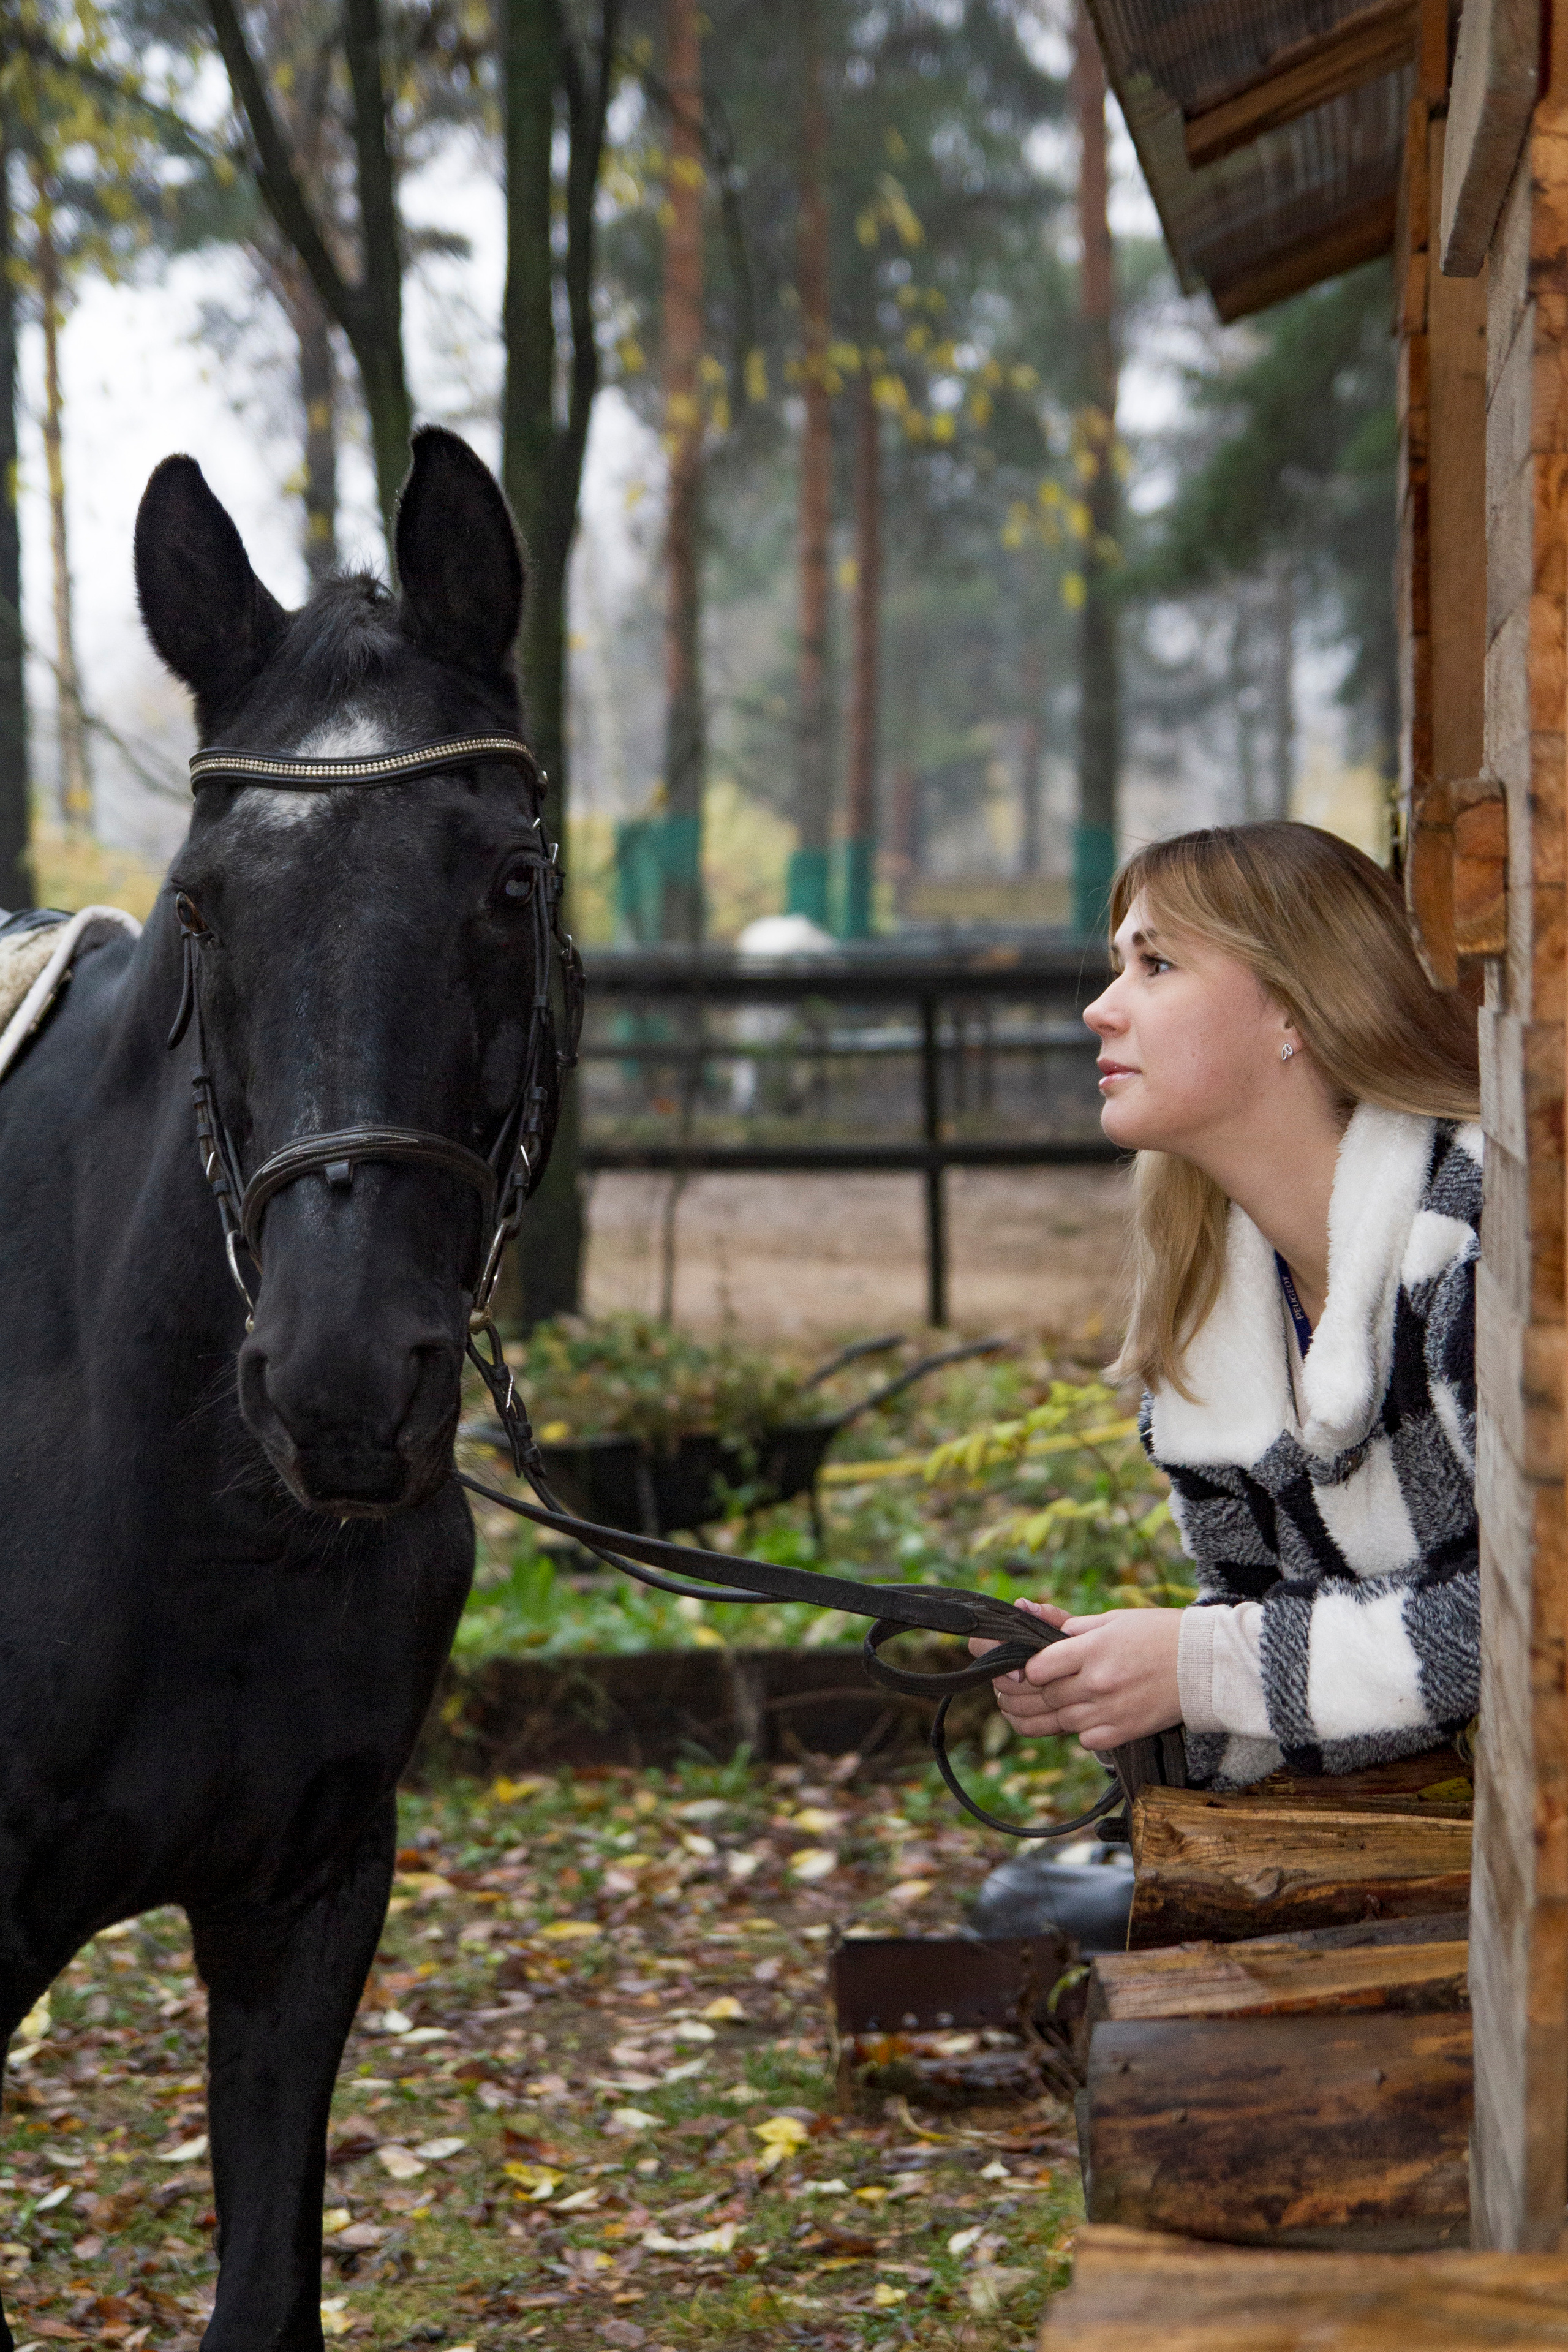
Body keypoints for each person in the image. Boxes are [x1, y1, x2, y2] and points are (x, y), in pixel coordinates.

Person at [979, 822, 1482, 1789]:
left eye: (1156, 964)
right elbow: (1289, 1643)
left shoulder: (1482, 1241)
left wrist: (1200, 1666)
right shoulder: (1217, 1326)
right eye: (1120, 962)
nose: (1100, 1009)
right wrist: (1116, 1681)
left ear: (1295, 1008)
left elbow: (1534, 1614)